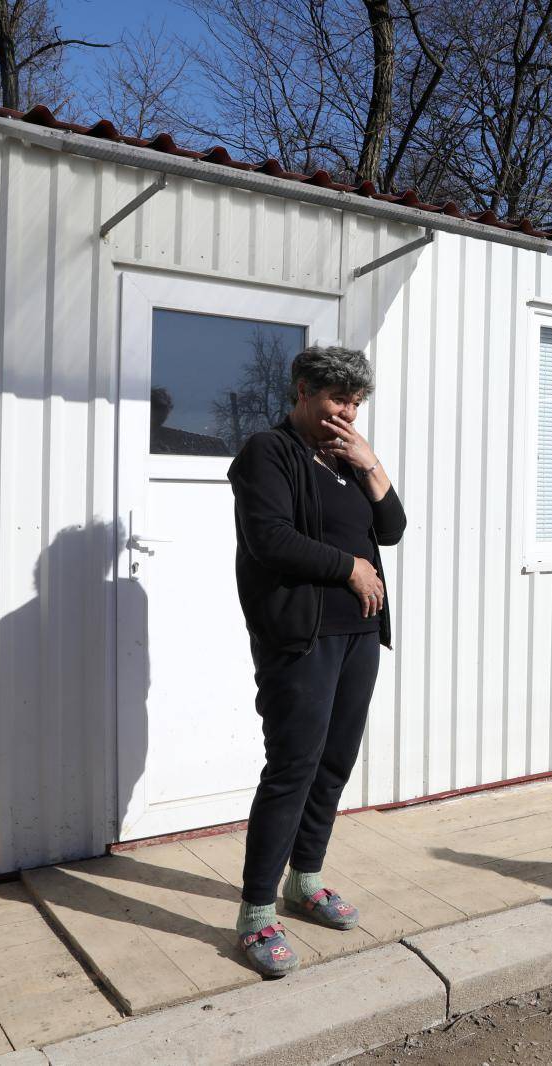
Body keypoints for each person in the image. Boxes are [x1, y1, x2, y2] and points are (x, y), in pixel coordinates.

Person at [226, 345, 406, 976]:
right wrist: (348, 567)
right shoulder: (268, 453)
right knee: (293, 767)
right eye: (337, 400)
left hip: (358, 634)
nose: (347, 413)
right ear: (302, 391)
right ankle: (254, 914)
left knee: (334, 763)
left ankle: (305, 880)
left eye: (355, 404)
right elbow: (268, 537)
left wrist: (371, 464)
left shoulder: (345, 458)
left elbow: (391, 529)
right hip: (300, 637)